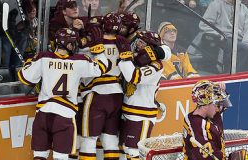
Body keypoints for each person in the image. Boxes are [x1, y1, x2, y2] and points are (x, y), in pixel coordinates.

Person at [17, 27, 110, 160]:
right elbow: (102, 68)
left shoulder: (43, 57)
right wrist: (99, 49)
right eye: (73, 43)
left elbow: (25, 78)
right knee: (60, 157)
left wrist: (28, 63)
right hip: (65, 116)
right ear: (68, 44)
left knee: (39, 156)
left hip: (43, 114)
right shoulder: (79, 61)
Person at [78, 12, 130, 160]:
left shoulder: (94, 41)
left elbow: (77, 56)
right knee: (110, 137)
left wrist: (83, 34)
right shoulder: (123, 43)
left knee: (88, 139)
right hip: (117, 95)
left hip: (97, 94)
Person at [118, 31, 170, 159]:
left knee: (134, 151)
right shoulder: (136, 57)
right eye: (139, 41)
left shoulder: (156, 65)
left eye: (142, 42)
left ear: (150, 47)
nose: (138, 44)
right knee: (124, 149)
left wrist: (124, 58)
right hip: (127, 110)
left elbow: (134, 76)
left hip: (141, 115)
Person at [197, 0, 248, 72]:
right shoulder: (216, 4)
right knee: (243, 48)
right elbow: (204, 24)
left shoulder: (244, 9)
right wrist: (219, 36)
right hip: (222, 38)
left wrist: (246, 42)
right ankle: (232, 77)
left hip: (239, 40)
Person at [182, 80, 231, 160]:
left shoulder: (212, 113)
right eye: (216, 104)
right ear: (205, 106)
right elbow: (207, 156)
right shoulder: (196, 124)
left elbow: (223, 106)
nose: (218, 108)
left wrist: (222, 91)